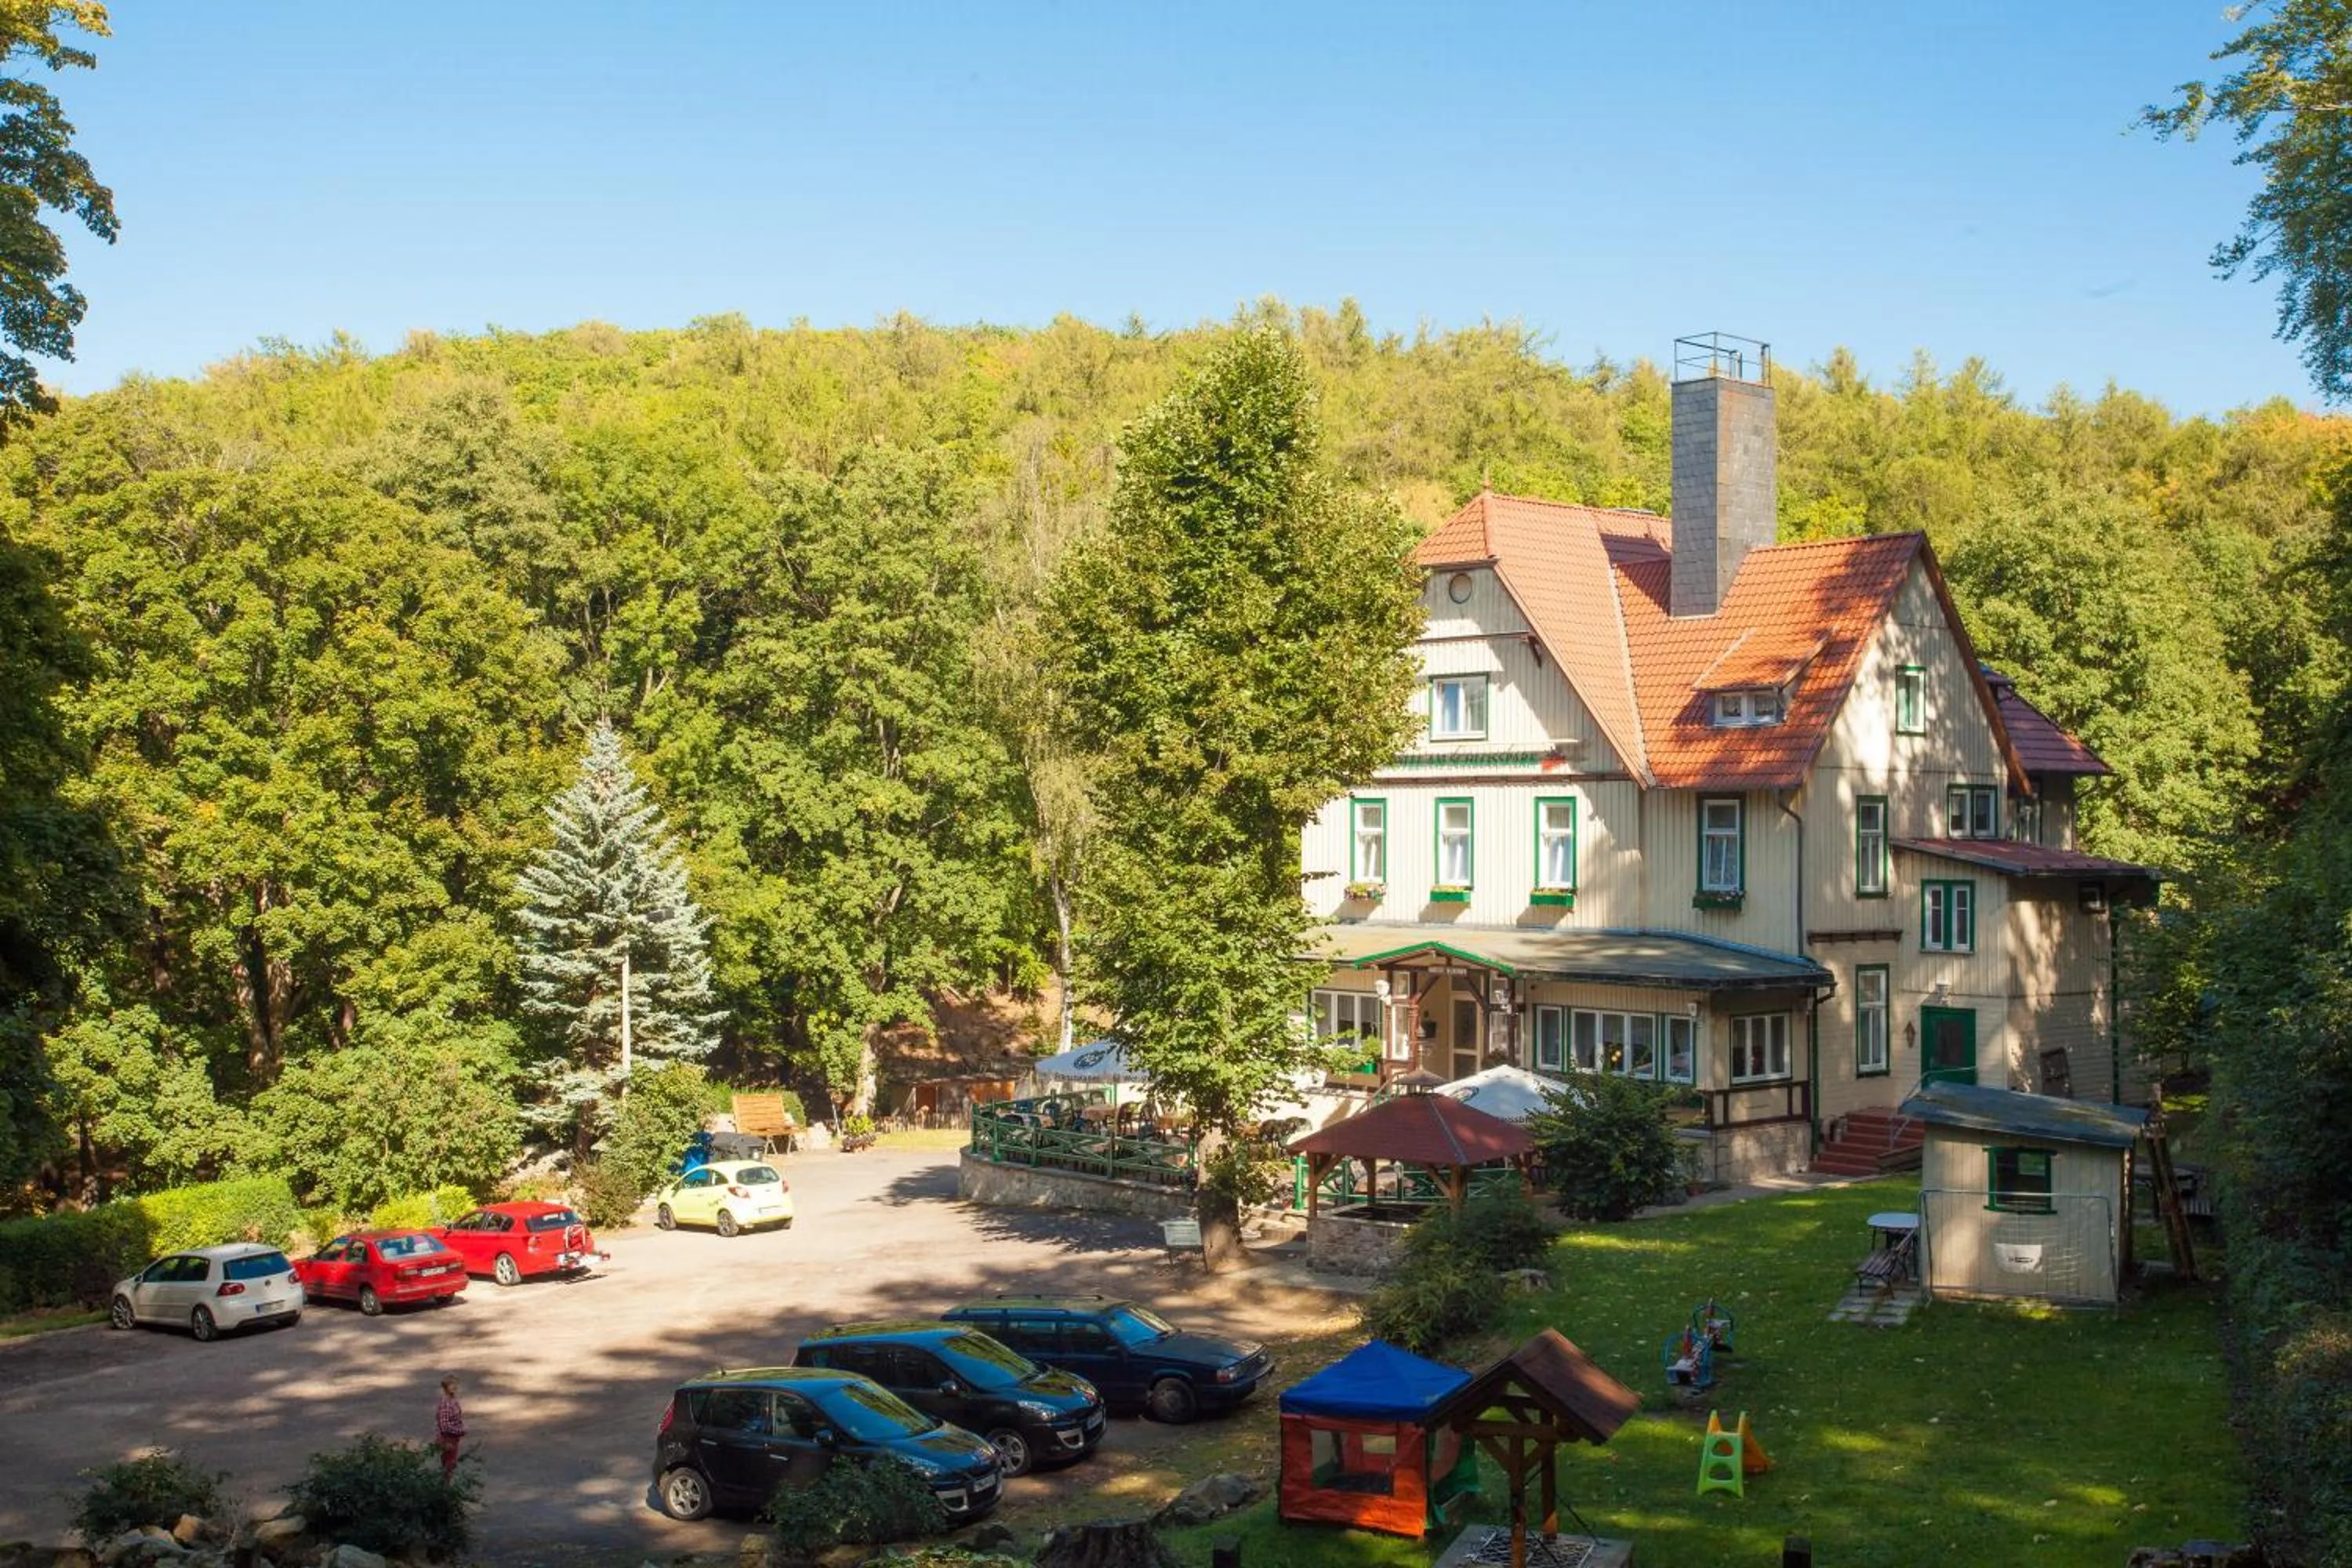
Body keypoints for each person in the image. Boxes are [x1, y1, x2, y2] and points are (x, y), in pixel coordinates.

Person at [434, 1376, 465, 1480]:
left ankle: (446, 1488)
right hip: (448, 1439)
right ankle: (445, 1490)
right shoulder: (446, 1404)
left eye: (455, 1384)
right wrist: (460, 1431)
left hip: (454, 1439)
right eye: (452, 1385)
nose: (455, 1387)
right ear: (446, 1387)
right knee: (448, 1466)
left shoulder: (453, 1401)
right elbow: (444, 1426)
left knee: (451, 1465)